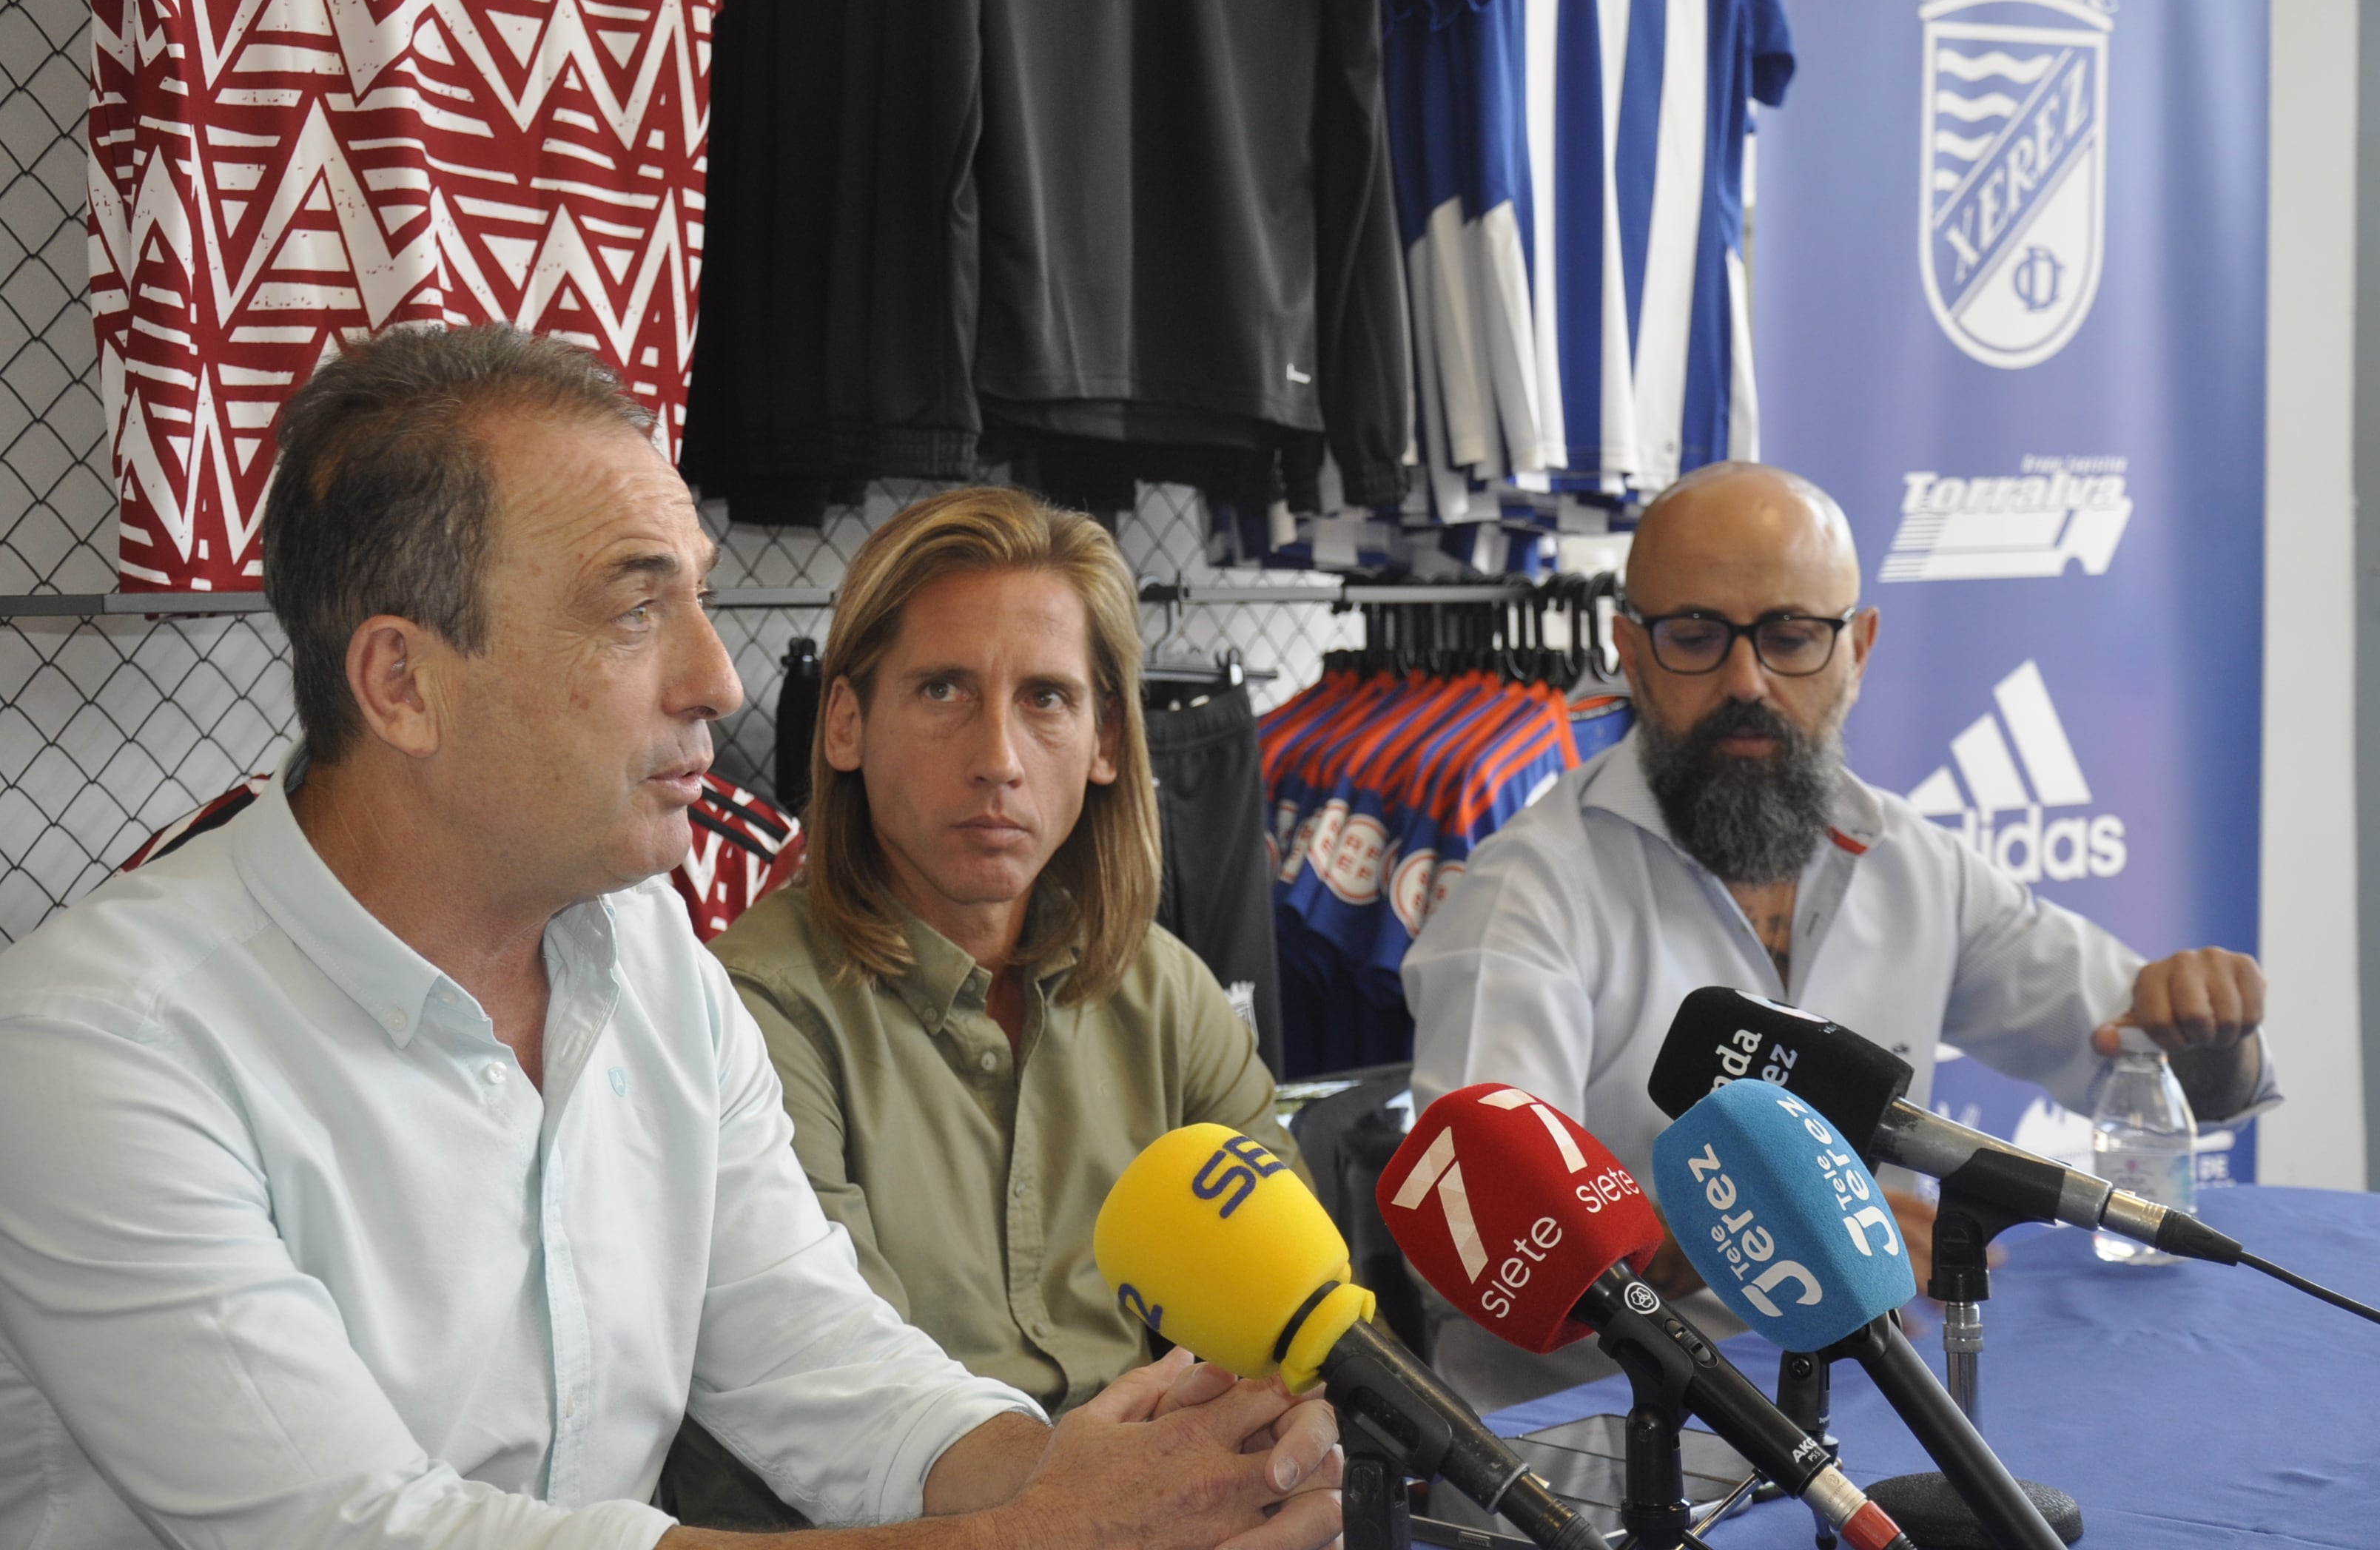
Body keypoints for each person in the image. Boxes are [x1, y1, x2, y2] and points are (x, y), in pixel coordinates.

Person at [0, 326, 1337, 1550]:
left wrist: (1115, 1485)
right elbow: (364, 1532)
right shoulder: (99, 1046)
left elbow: (814, 1356)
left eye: (698, 598)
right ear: (402, 682)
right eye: (637, 607)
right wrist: (1043, 1534)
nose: (721, 678)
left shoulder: (648, 961)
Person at [1402, 462, 2276, 1405]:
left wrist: (2208, 1030)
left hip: (1864, 1407)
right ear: (1631, 650)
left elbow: (2144, 1059)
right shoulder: (1525, 894)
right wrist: (1746, 1232)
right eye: (1695, 636)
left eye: (1792, 637)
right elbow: (1480, 1232)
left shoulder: (1914, 864)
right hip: (1598, 1447)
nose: (1748, 680)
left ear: (1858, 649)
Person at [702, 488, 1306, 1426]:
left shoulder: (1167, 990)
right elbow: (846, 1403)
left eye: (1047, 699)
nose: (999, 757)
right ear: (845, 725)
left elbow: (1294, 1329)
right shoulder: (753, 1010)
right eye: (943, 689)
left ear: (1106, 741)